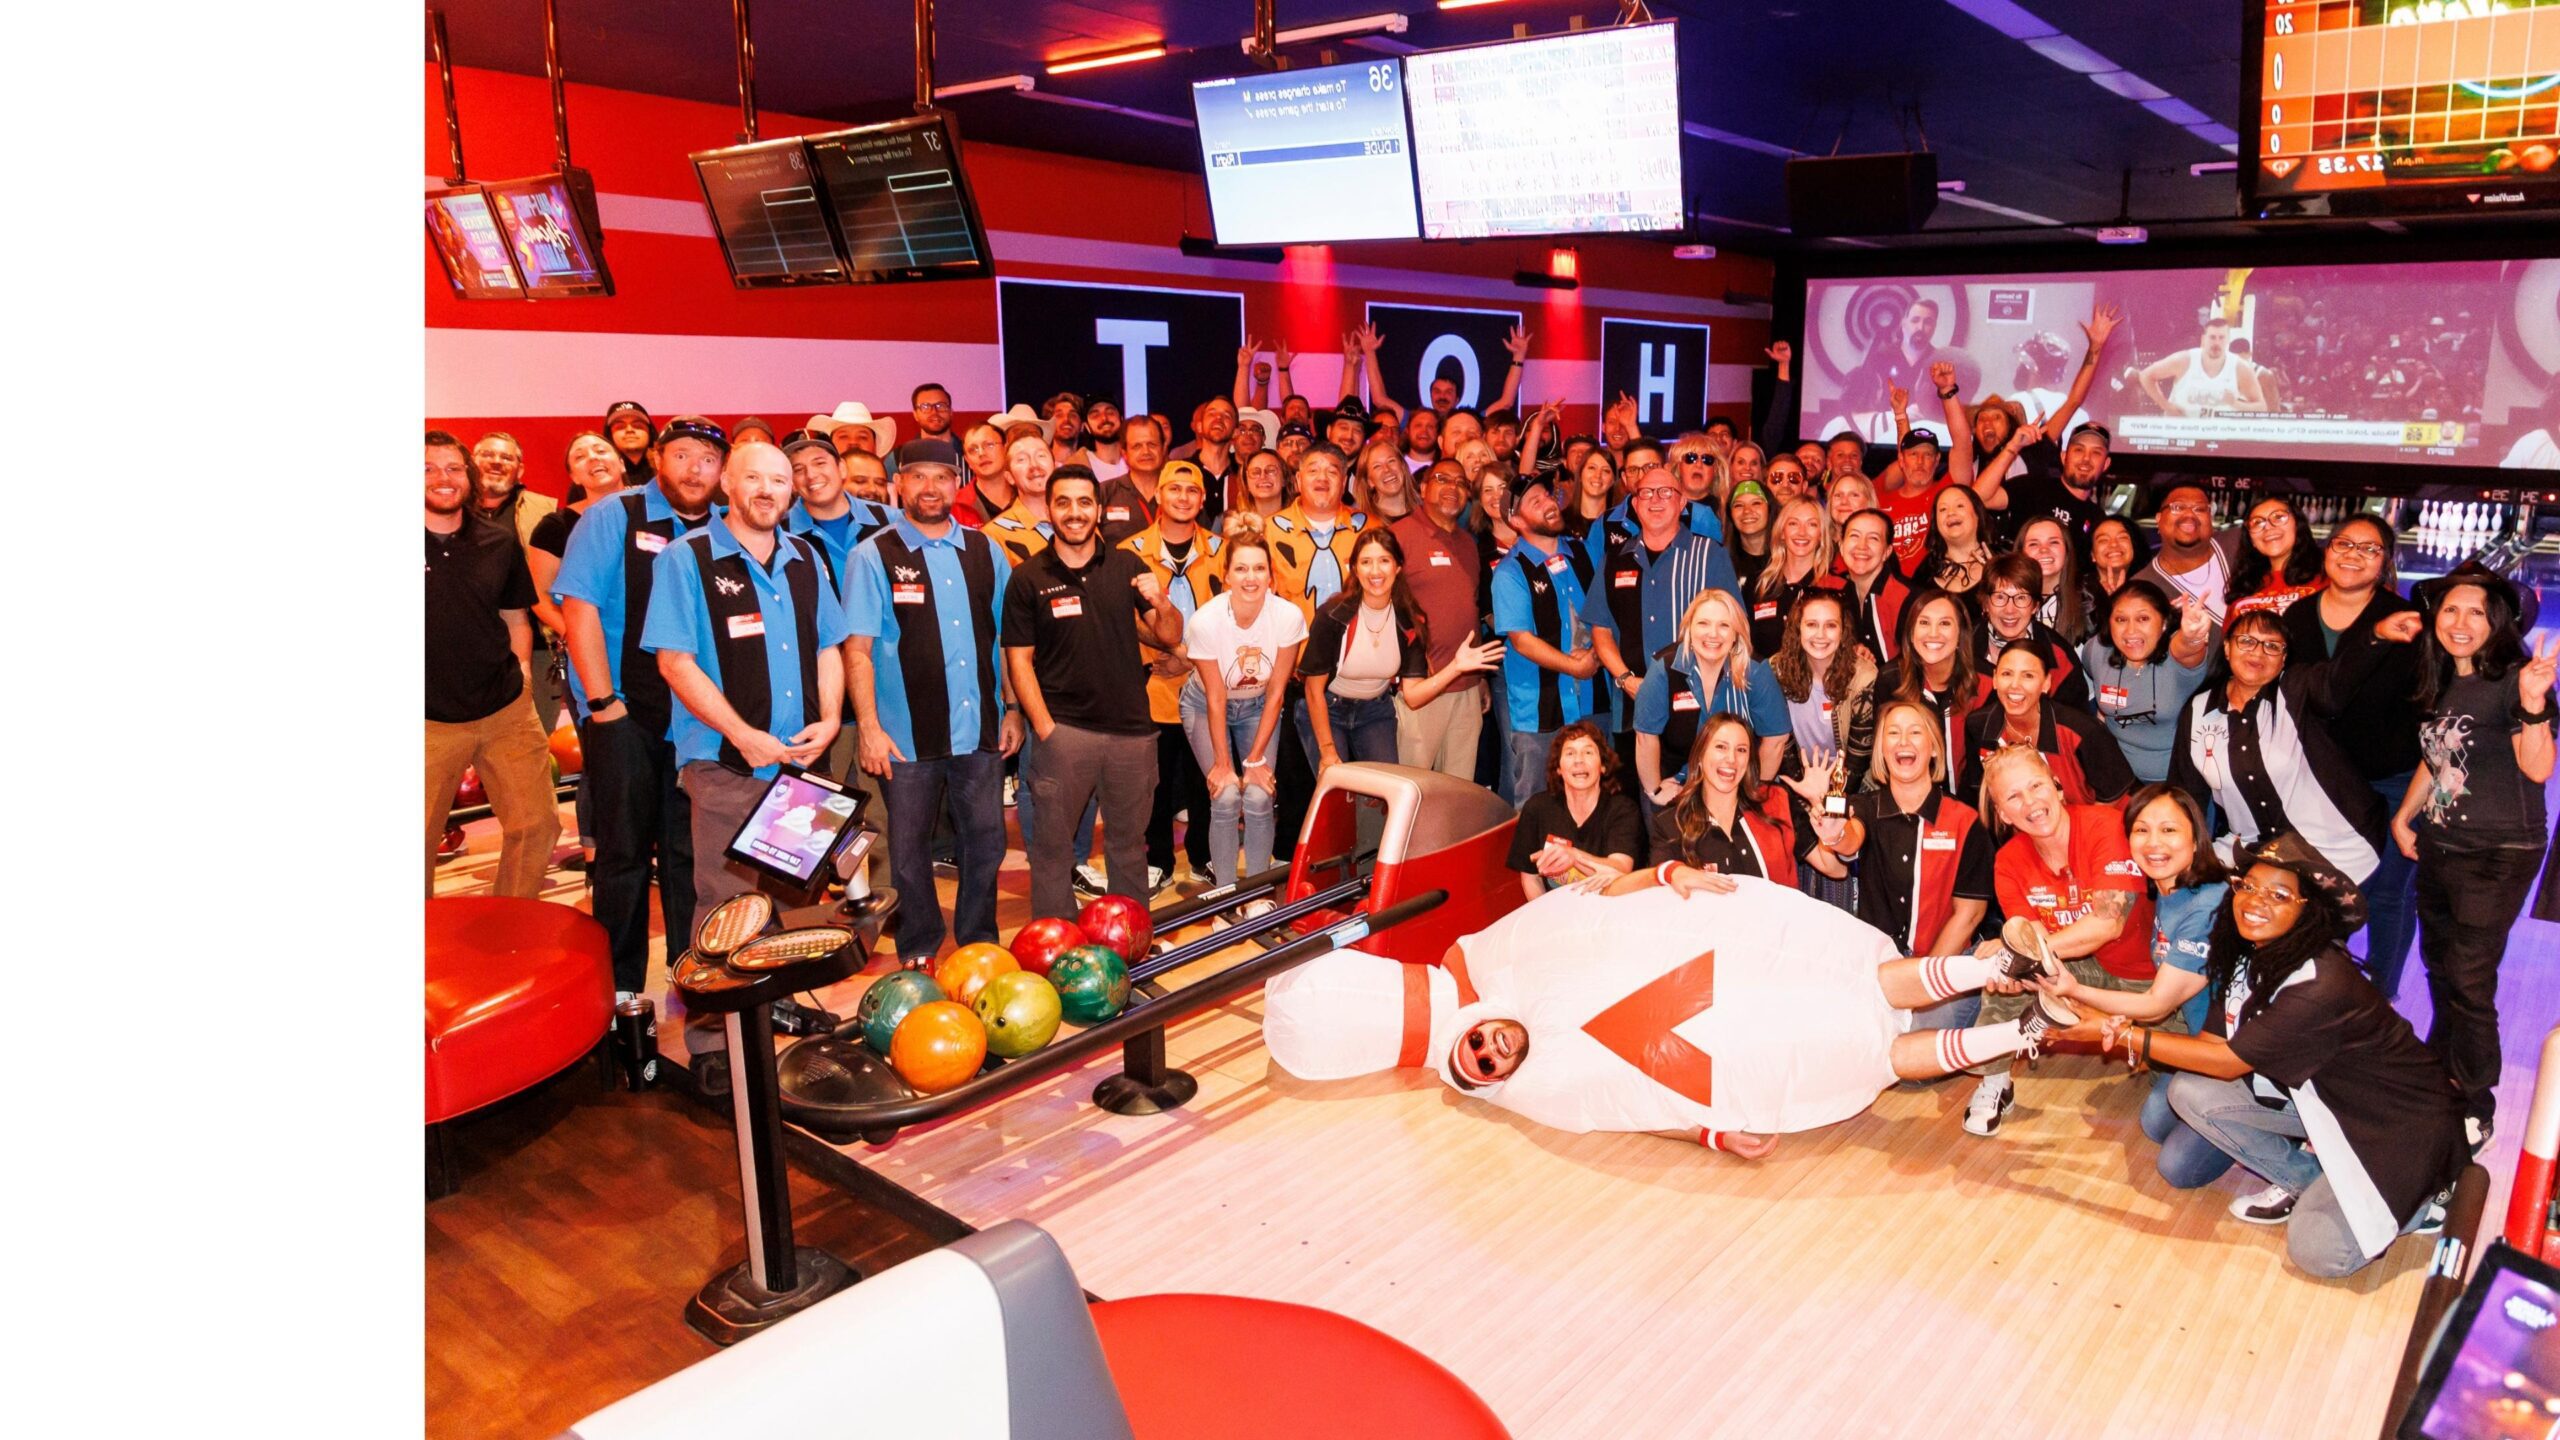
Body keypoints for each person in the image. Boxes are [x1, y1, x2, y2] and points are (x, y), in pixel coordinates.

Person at [1262, 874, 2077, 1158]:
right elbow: (1623, 1105)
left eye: (1477, 1043)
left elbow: (1592, 906)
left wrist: (1665, 875)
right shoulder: (1534, 1089)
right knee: (1864, 1053)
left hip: (1715, 970)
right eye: (1483, 1066)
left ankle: (1995, 969)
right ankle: (2023, 1032)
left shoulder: (1504, 956)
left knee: (1852, 979)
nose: (1490, 1050)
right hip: (1723, 1051)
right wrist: (1709, 1135)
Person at [2093, 834, 2464, 1279]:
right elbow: (2213, 1043)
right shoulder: (2249, 953)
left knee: (2318, 1252)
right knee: (2184, 1103)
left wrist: (2129, 1037)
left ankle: (2424, 1196)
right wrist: (2131, 1036)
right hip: (2320, 1099)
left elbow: (2228, 1062)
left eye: (2279, 895)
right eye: (2248, 886)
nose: (2255, 901)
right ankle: (2307, 1177)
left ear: (2308, 909)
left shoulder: (2320, 983)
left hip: (2390, 1123)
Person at [641, 440, 848, 1028]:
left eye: (779, 481)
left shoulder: (805, 556)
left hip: (800, 767)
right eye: (753, 478)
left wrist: (832, 719)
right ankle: (715, 1041)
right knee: (726, 907)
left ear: (791, 492)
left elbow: (829, 646)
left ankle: (776, 1007)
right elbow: (675, 663)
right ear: (727, 483)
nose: (766, 490)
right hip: (725, 765)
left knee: (787, 899)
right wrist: (742, 734)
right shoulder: (686, 558)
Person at [553, 415, 727, 998]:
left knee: (688, 853)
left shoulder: (724, 526)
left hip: (696, 720)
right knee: (624, 855)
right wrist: (603, 704)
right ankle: (621, 991)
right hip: (625, 713)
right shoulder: (615, 515)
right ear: (657, 458)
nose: (694, 470)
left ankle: (690, 971)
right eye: (682, 455)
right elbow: (579, 608)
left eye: (707, 460)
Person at [2392, 562, 2558, 1148]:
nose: (2460, 623)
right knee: (2441, 967)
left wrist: (2534, 704)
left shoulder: (2514, 681)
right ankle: (2442, 1073)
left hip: (2497, 852)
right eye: (2451, 610)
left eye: (2476, 613)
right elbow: (2437, 758)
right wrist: (2406, 814)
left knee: (2468, 975)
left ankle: (2476, 1103)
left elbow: (2538, 769)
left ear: (2498, 623)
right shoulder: (2444, 680)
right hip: (2441, 846)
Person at [843, 438, 1019, 969]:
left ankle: (978, 938)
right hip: (905, 737)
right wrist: (869, 728)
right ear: (899, 484)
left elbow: (1006, 639)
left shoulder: (986, 551)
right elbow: (857, 650)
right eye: (918, 476)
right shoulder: (872, 555)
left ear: (955, 484)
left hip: (980, 728)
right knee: (908, 851)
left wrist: (1012, 707)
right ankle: (918, 944)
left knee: (986, 842)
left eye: (941, 477)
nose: (930, 487)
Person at [1002, 467, 1184, 919]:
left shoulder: (1128, 567)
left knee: (1128, 847)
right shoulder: (1027, 577)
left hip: (1132, 735)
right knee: (1052, 852)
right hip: (1064, 734)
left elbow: (1169, 635)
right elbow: (1019, 662)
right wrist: (1046, 730)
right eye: (1063, 502)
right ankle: (1057, 944)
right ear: (1049, 510)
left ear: (1098, 510)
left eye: (1084, 502)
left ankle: (1130, 941)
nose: (1075, 512)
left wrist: (1161, 601)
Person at [2032, 784, 2229, 1188]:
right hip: (2203, 1039)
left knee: (2177, 1168)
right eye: (2141, 830)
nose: (2154, 842)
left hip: (2236, 1054)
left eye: (2169, 830)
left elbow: (2157, 1003)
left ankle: (2278, 1134)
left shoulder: (2207, 905)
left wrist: (2074, 990)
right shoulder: (2167, 891)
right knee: (2155, 1122)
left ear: (2196, 839)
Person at [1963, 744, 2155, 1138]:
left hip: (2148, 982)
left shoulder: (2105, 825)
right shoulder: (2008, 861)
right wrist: (2015, 960)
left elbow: (2107, 925)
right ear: (2002, 813)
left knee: (2164, 1108)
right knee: (2002, 972)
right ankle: (1995, 1082)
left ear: (2056, 785)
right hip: (2081, 972)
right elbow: (2030, 938)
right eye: (2013, 797)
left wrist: (2020, 950)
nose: (2030, 802)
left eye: (2036, 786)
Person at [2282, 515, 2422, 993]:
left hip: (2393, 779)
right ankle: (2320, 994)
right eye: (2344, 544)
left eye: (2369, 548)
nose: (2353, 555)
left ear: (2386, 562)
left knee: (2386, 894)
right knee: (2324, 894)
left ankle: (2381, 996)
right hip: (2322, 783)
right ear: (2327, 551)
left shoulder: (2405, 621)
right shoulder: (2297, 618)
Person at [425, 431, 561, 899]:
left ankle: (513, 920)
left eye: (452, 468)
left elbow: (515, 616)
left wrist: (522, 673)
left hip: (505, 711)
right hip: (426, 721)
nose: (442, 478)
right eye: (427, 469)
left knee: (537, 825)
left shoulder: (498, 541)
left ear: (469, 476)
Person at [2170, 607, 2386, 885]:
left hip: (2336, 852)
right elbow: (2186, 795)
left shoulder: (2296, 689)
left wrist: (2376, 637)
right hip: (2254, 853)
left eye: (2272, 646)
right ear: (2227, 648)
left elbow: (2337, 682)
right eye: (2246, 641)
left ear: (2284, 659)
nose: (2258, 653)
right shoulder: (2198, 710)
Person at [1299, 528, 1500, 774]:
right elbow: (1313, 690)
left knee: (1386, 787)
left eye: (1384, 561)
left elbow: (1413, 697)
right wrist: (1328, 751)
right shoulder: (1332, 615)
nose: (1375, 571)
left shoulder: (1409, 621)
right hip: (1328, 707)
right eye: (1366, 562)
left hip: (1375, 710)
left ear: (1397, 567)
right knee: (1335, 782)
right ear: (1354, 569)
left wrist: (1455, 668)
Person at [1179, 531, 1305, 888]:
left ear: (1271, 576)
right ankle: (1226, 895)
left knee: (1260, 794)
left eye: (1259, 568)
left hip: (1259, 706)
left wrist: (1254, 760)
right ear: (1227, 576)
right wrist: (1223, 764)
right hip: (1204, 704)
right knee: (1226, 794)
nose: (1251, 577)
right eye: (1241, 568)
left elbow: (1277, 693)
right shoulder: (1205, 621)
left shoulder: (1288, 616)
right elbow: (1216, 697)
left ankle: (1257, 893)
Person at [1123, 462, 1221, 891]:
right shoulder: (1128, 552)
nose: (1183, 497)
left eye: (1191, 490)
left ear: (1202, 500)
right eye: (1174, 489)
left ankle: (1205, 855)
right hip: (1152, 684)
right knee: (1154, 783)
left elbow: (1234, 616)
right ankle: (1158, 860)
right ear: (1159, 496)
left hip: (1209, 684)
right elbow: (1125, 619)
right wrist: (1176, 653)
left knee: (1207, 778)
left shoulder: (1222, 550)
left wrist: (1191, 659)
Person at [1846, 699, 1994, 958]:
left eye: (1915, 732)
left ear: (1934, 747)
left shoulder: (1966, 821)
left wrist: (1920, 975)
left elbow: (1970, 915)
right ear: (1881, 749)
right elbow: (1847, 842)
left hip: (1946, 964)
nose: (1903, 741)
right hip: (1876, 961)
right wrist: (1833, 831)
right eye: (1893, 733)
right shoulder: (1862, 808)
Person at [1649, 711, 1849, 892]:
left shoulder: (1776, 801)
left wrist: (1821, 805)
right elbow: (1654, 889)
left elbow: (1836, 870)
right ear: (1700, 756)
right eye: (1721, 747)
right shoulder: (1671, 821)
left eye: (1741, 750)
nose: (1731, 759)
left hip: (1777, 920)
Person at [1491, 471, 1600, 805]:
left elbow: (1607, 614)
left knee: (1597, 800)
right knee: (1536, 804)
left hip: (1595, 702)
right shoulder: (1510, 571)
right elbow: (1521, 640)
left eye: (1548, 496)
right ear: (1515, 520)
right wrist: (1574, 666)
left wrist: (1595, 654)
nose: (1548, 503)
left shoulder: (1584, 551)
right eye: (1535, 502)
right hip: (1540, 709)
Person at [1633, 589, 1789, 804]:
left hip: (1737, 784)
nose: (1713, 634)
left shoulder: (1755, 670)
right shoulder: (1664, 668)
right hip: (1677, 784)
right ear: (1689, 628)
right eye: (1703, 623)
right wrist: (1655, 792)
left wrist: (1754, 793)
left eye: (1724, 625)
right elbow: (1645, 736)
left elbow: (1776, 738)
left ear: (1736, 633)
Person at [1390, 461, 1491, 780]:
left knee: (1460, 788)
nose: (1453, 488)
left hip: (1466, 686)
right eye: (1442, 479)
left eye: (1461, 483)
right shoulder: (1398, 536)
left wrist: (1479, 677)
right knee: (1413, 788)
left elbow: (1470, 609)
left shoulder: (1468, 543)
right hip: (1421, 687)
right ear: (1423, 489)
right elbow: (1383, 607)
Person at [1959, 644, 2136, 807]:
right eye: (2007, 674)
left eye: (2028, 675)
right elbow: (1981, 793)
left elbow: (2114, 798)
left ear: (2046, 683)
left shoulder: (2082, 731)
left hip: (2091, 821)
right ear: (1995, 679)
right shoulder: (1978, 726)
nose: (2015, 685)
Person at [2082, 580, 2213, 784]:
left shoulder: (2177, 659)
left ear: (2164, 623)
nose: (2131, 631)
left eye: (2143, 619)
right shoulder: (2097, 651)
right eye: (2121, 619)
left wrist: (2193, 636)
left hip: (2178, 781)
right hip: (2119, 780)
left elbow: (2187, 648)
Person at [1509, 720, 1643, 899]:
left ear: (1603, 766)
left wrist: (1574, 857)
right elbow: (1530, 877)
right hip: (1557, 910)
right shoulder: (1537, 808)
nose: (1579, 761)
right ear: (1558, 768)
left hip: (1608, 907)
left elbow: (1620, 870)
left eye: (1588, 752)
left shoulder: (1623, 810)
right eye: (1570, 753)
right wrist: (1546, 914)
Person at [1769, 590, 1879, 792]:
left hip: (1854, 788)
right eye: (1811, 624)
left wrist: (1831, 802)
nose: (1820, 635)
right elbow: (1783, 753)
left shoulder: (1864, 678)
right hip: (1796, 784)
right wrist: (1805, 796)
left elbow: (1857, 765)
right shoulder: (1776, 672)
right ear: (1798, 628)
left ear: (1843, 631)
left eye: (1831, 625)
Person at [780, 429, 898, 585]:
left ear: (841, 468)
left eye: (820, 463)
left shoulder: (892, 521)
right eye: (798, 469)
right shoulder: (779, 534)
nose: (811, 475)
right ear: (791, 483)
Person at [1889, 588, 1989, 768]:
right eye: (1924, 622)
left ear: (1960, 635)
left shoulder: (1987, 684)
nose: (1933, 633)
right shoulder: (1891, 679)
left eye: (1944, 623)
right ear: (1911, 633)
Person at [1266, 444, 1368, 620]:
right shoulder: (1270, 531)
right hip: (1296, 637)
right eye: (1313, 471)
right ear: (1298, 480)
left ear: (1344, 482)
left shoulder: (1368, 528)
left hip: (1360, 636)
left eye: (1332, 472)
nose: (1322, 478)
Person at [1977, 554, 2088, 709]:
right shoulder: (1962, 650)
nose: (2010, 610)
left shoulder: (2060, 658)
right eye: (2000, 597)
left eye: (2021, 598)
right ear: (1985, 604)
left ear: (2035, 606)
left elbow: (2076, 719)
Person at [2133, 482, 2246, 631]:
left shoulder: (2240, 543)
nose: (2189, 515)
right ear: (2159, 519)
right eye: (2178, 507)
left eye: (2199, 509)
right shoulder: (2141, 586)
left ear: (2210, 519)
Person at [1747, 498, 1841, 658]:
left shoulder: (1837, 587)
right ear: (1782, 532)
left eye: (1812, 524)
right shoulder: (1758, 584)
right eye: (1793, 524)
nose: (1802, 532)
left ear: (1821, 534)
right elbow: (1746, 644)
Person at [2138, 316, 2269, 416]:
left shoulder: (2240, 368)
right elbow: (2145, 375)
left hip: (2218, 434)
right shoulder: (2184, 360)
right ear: (2203, 339)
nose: (2216, 343)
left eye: (2221, 338)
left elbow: (2261, 407)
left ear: (2228, 340)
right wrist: (2167, 407)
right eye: (2212, 337)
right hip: (2181, 431)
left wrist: (2235, 404)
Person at [1835, 508, 1914, 666]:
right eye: (1854, 536)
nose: (1862, 546)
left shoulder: (1908, 599)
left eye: (1873, 538)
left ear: (1887, 552)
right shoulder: (1834, 593)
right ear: (1841, 546)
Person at [2227, 495, 2325, 619]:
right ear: (2251, 540)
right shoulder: (2243, 588)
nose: (2268, 527)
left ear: (2297, 525)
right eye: (2257, 522)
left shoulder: (2326, 577)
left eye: (2279, 517)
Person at [1909, 484, 1994, 603]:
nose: (1951, 513)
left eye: (1960, 506)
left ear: (1977, 514)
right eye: (1943, 509)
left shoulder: (2002, 559)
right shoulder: (1924, 574)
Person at [469, 430, 556, 546]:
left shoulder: (546, 510)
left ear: (520, 470)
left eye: (506, 458)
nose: (496, 462)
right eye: (488, 455)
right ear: (472, 463)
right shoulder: (453, 506)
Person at [985, 427, 1057, 566]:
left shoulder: (1078, 519)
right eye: (1022, 459)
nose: (1034, 465)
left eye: (1041, 456)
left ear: (1055, 466)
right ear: (1010, 477)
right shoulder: (994, 535)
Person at [2016, 517, 2093, 646]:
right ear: (2021, 553)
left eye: (2053, 542)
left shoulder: (2089, 597)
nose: (2044, 549)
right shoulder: (2008, 599)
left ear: (2067, 550)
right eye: (2033, 544)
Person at [1098, 414, 1169, 544]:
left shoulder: (1181, 492)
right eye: (1137, 446)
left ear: (1163, 448)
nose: (1146, 451)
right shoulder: (1104, 493)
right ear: (1124, 453)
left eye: (1152, 444)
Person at [954, 421, 1014, 528]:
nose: (981, 453)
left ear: (1006, 449)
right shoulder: (955, 506)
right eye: (973, 450)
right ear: (967, 461)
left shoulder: (1027, 496)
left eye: (989, 445)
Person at [1720, 478, 1773, 591]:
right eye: (1739, 505)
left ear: (1769, 509)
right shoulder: (1721, 563)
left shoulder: (1787, 559)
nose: (1747, 511)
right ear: (1730, 514)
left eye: (1756, 503)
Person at [2086, 516, 2150, 605]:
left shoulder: (2149, 589)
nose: (2114, 544)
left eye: (2122, 537)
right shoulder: (2078, 593)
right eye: (2103, 540)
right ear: (2092, 554)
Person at [603, 400, 657, 489]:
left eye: (637, 425)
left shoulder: (667, 468)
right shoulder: (599, 472)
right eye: (620, 427)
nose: (629, 430)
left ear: (650, 432)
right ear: (610, 435)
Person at [1235, 448, 1292, 531]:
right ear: (1246, 483)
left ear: (1284, 479)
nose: (1263, 476)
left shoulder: (1300, 522)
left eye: (1271, 470)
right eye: (1255, 472)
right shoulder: (1231, 524)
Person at [1078, 396, 1129, 482]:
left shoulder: (1138, 460)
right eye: (1095, 415)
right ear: (1087, 427)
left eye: (1110, 412)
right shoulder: (1077, 466)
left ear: (1121, 418)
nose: (1104, 418)